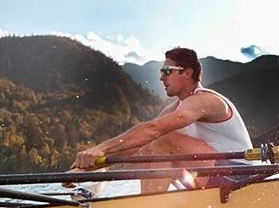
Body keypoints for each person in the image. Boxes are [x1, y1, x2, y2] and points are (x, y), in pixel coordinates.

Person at [71, 47, 253, 193]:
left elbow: (154, 130)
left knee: (163, 140)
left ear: (187, 73)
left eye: (167, 71)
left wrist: (100, 148)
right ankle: (150, 204)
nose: (161, 77)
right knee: (150, 147)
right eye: (161, 71)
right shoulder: (173, 108)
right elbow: (140, 146)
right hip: (212, 174)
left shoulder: (205, 100)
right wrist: (89, 168)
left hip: (239, 175)